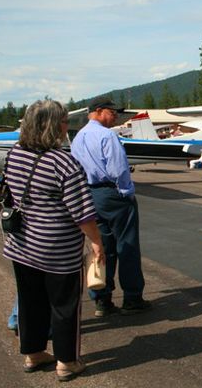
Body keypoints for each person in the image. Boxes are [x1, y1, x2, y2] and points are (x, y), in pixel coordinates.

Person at [3, 99, 105, 381]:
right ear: (51, 126)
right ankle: (67, 362)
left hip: (21, 245)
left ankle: (33, 353)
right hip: (57, 250)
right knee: (64, 307)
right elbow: (82, 212)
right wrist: (97, 243)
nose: (66, 127)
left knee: (30, 301)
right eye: (63, 122)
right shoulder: (64, 162)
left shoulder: (15, 153)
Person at [71, 96, 151, 317]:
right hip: (113, 195)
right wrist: (126, 193)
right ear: (98, 111)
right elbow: (119, 170)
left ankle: (102, 299)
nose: (115, 115)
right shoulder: (107, 136)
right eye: (112, 111)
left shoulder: (78, 137)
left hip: (90, 194)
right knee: (127, 246)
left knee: (102, 247)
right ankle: (132, 298)